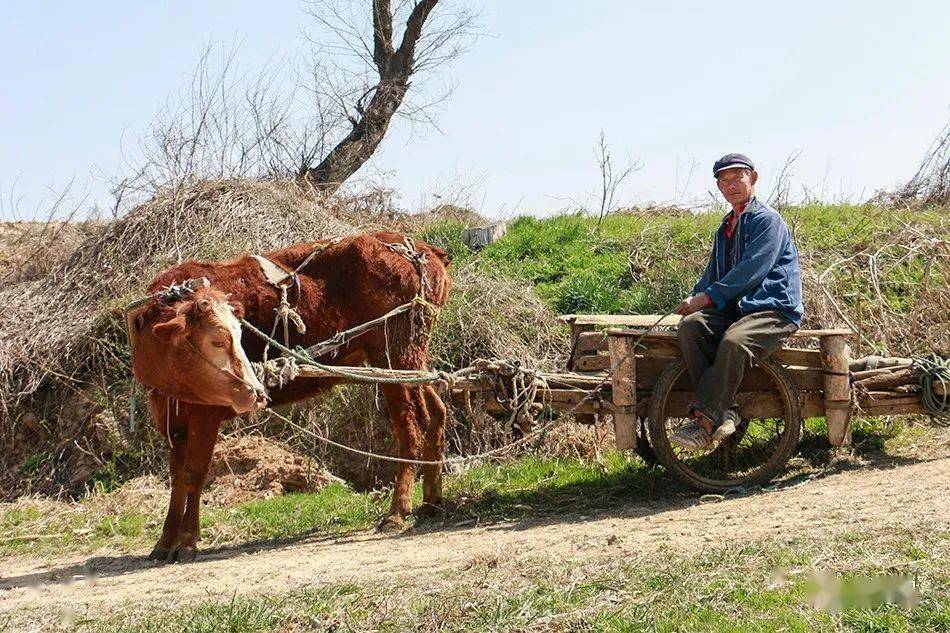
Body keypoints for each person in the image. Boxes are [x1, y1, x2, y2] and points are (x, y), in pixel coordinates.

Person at [671, 153, 804, 450]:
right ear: (718, 186)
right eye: (724, 180)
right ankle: (726, 408)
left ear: (752, 179)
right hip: (737, 310)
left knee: (734, 341)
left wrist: (709, 296)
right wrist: (694, 298)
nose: (731, 185)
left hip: (773, 308)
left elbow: (751, 270)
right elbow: (713, 273)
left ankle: (706, 420)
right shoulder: (725, 228)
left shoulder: (768, 221)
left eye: (737, 178)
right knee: (691, 327)